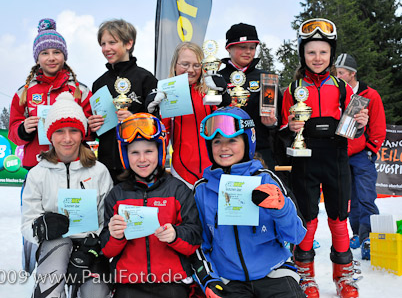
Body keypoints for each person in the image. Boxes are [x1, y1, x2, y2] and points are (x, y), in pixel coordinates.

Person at [280, 19, 369, 298]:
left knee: (338, 217)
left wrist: (362, 122)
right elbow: (281, 128)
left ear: (331, 55)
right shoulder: (292, 88)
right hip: (305, 158)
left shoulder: (342, 87)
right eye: (311, 52)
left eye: (323, 52)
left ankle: (343, 276)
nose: (317, 58)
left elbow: (353, 127)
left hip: (336, 157)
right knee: (307, 218)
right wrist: (290, 127)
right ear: (302, 55)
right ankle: (305, 275)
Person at [192, 106, 306, 298]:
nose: (224, 148)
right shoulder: (202, 189)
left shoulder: (267, 179)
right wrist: (208, 279)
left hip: (274, 273)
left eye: (232, 141)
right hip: (229, 280)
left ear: (247, 142)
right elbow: (198, 244)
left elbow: (296, 235)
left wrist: (281, 208)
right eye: (217, 142)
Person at [21, 92, 112, 298]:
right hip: (55, 242)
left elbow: (107, 220)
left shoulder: (99, 171)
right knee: (50, 289)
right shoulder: (38, 173)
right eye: (60, 131)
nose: (68, 138)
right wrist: (40, 228)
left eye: (74, 131)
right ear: (50, 135)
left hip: (90, 246)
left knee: (96, 294)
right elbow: (27, 224)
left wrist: (92, 247)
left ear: (82, 134)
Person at [100, 113, 202, 298]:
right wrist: (115, 235)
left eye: (149, 151)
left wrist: (175, 235)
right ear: (125, 155)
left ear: (160, 151)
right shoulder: (117, 195)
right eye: (134, 152)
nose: (142, 159)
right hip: (128, 283)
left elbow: (194, 239)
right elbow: (106, 250)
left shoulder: (177, 190)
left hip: (172, 281)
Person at [9, 18, 92, 170]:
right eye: (45, 53)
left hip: (72, 164)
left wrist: (88, 126)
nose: (51, 57)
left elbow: (91, 130)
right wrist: (23, 129)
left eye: (57, 52)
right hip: (36, 163)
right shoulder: (24, 92)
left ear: (64, 55)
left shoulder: (80, 90)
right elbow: (13, 132)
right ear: (37, 58)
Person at [146, 42, 231, 189]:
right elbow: (162, 140)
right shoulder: (165, 94)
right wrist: (153, 116)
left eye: (197, 65)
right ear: (175, 65)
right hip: (181, 172)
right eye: (185, 64)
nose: (191, 70)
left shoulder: (210, 92)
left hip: (215, 170)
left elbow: (228, 130)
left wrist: (224, 97)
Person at [88, 19, 157, 184]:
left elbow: (158, 122)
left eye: (112, 42)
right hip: (106, 165)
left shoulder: (146, 79)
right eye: (103, 44)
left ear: (128, 43)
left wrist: (134, 119)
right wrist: (92, 125)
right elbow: (95, 131)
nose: (106, 48)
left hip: (138, 166)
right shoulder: (99, 83)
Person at [334, 53, 386, 260]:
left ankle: (369, 238)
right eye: (336, 72)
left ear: (352, 74)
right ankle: (356, 232)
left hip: (361, 154)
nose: (337, 76)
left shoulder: (370, 94)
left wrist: (371, 149)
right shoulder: (335, 93)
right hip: (341, 153)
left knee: (365, 196)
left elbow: (378, 125)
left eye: (341, 73)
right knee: (350, 198)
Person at [219, 23, 282, 170]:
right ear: (228, 48)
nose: (248, 52)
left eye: (252, 47)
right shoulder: (217, 78)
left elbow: (280, 118)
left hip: (261, 150)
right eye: (242, 47)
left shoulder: (266, 79)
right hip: (225, 150)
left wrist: (271, 123)